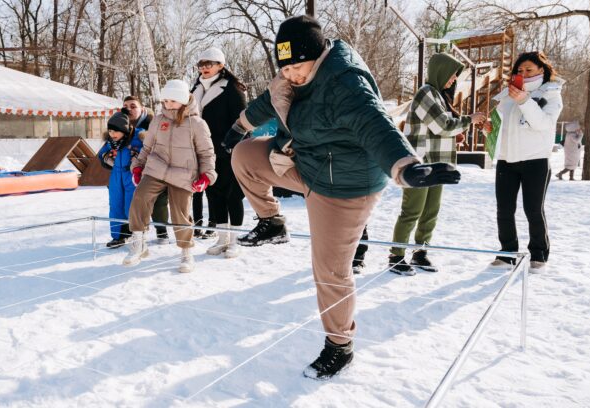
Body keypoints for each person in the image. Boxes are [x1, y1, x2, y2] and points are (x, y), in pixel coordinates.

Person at [223, 15, 461, 379]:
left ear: (317, 57)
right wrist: (240, 127)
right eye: (285, 68)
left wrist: (406, 167)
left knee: (330, 271)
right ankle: (272, 222)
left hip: (344, 188)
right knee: (244, 156)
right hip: (311, 165)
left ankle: (340, 345)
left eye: (298, 68)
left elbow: (375, 124)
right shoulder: (292, 77)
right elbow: (268, 101)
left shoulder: (344, 83)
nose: (292, 75)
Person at [389, 53, 486, 276]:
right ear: (440, 71)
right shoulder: (426, 93)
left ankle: (420, 252)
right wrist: (469, 120)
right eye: (452, 75)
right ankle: (396, 255)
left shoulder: (439, 96)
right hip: (420, 165)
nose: (453, 80)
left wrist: (455, 136)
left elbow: (441, 130)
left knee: (431, 211)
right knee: (412, 211)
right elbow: (442, 125)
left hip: (437, 163)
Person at [125, 80, 217, 273]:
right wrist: (138, 166)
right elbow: (147, 147)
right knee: (140, 196)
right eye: (165, 101)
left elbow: (207, 153)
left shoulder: (197, 124)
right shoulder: (158, 120)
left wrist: (207, 176)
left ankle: (186, 252)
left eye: (172, 101)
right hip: (156, 168)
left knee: (180, 212)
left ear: (183, 100)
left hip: (183, 173)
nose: (167, 105)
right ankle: (139, 243)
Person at [487, 51, 563, 272]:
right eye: (519, 70)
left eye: (529, 69)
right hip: (506, 160)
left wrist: (524, 100)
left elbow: (543, 124)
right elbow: (498, 123)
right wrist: (488, 129)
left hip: (535, 161)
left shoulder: (551, 93)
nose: (523, 73)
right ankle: (507, 254)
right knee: (504, 210)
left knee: (533, 210)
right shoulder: (506, 94)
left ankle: (539, 255)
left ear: (542, 69)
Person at [190, 47, 248, 258]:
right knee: (214, 196)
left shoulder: (233, 88)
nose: (204, 68)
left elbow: (243, 122)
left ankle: (234, 240)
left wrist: (229, 146)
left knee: (232, 196)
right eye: (201, 64)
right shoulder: (195, 88)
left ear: (221, 65)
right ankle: (221, 238)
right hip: (204, 152)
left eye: (209, 63)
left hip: (229, 151)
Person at [123, 96, 170, 244]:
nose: (129, 109)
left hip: (154, 168)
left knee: (159, 200)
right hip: (128, 171)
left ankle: (161, 230)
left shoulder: (153, 124)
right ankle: (134, 231)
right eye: (125, 106)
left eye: (133, 106)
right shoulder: (120, 125)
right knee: (132, 201)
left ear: (142, 109)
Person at [98, 110, 143, 248]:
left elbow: (149, 152)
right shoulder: (111, 141)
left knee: (131, 205)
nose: (112, 135)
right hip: (116, 176)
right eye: (110, 131)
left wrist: (138, 158)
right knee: (115, 204)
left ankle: (137, 235)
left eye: (115, 131)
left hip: (131, 175)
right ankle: (118, 236)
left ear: (124, 129)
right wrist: (107, 159)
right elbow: (101, 153)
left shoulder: (138, 138)